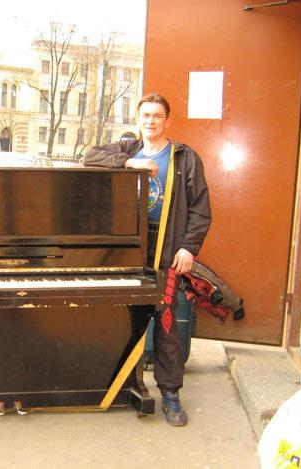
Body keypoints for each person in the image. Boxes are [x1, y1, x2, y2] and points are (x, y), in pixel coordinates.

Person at [83, 93, 211, 426]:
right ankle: (118, 384)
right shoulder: (128, 149)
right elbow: (89, 156)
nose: (150, 121)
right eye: (145, 115)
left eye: (157, 116)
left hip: (167, 249)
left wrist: (189, 247)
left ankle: (170, 393)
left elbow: (200, 208)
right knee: (121, 318)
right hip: (129, 250)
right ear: (137, 119)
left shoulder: (184, 157)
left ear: (167, 120)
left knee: (166, 322)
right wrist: (130, 164)